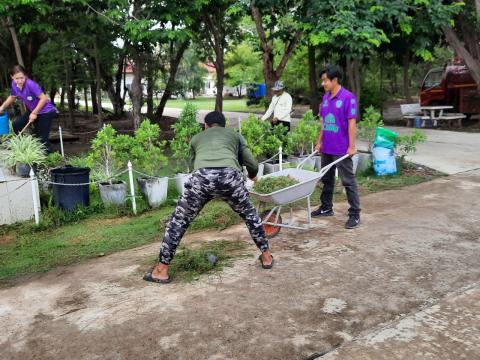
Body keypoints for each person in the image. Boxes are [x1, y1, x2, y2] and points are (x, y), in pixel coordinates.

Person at [143, 111, 274, 284]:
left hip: (202, 178)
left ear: (205, 125)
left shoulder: (196, 138)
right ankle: (266, 257)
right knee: (251, 216)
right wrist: (252, 175)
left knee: (178, 221)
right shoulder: (234, 135)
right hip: (230, 177)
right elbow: (250, 162)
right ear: (224, 125)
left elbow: (193, 165)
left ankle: (161, 269)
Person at [311, 65, 361, 229]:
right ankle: (326, 207)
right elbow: (324, 123)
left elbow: (352, 123)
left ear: (335, 80)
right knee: (327, 179)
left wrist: (352, 146)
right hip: (327, 148)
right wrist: (320, 142)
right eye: (322, 80)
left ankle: (354, 214)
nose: (323, 83)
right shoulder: (325, 98)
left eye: (325, 80)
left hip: (342, 149)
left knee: (348, 181)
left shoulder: (348, 98)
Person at [0, 65, 57, 152]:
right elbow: (12, 97)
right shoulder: (14, 85)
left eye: (22, 78)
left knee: (42, 137)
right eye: (16, 78)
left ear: (25, 76)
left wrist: (34, 113)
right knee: (16, 125)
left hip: (46, 111)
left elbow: (44, 99)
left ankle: (48, 154)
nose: (19, 81)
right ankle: (21, 147)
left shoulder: (31, 85)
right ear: (12, 77)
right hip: (33, 110)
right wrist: (2, 107)